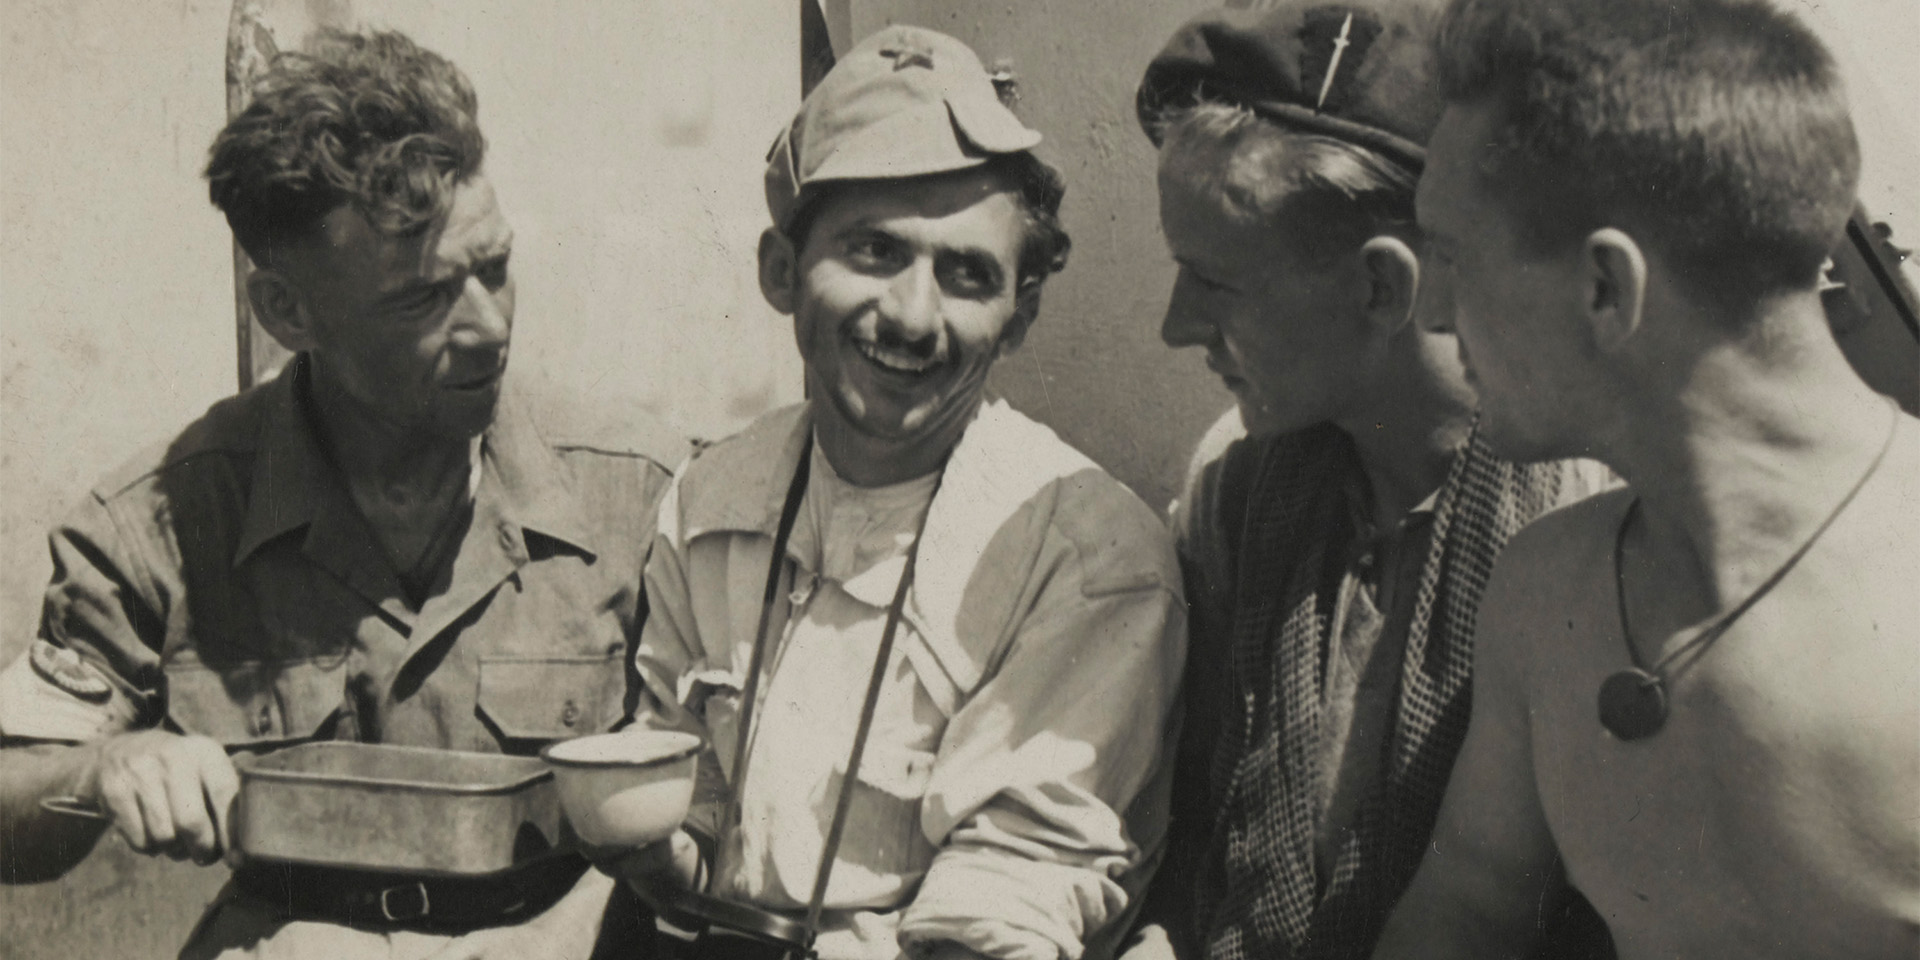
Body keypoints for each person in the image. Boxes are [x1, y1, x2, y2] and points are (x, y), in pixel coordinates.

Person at [0, 29, 679, 960]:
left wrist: (567, 934)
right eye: (423, 300)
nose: (489, 329)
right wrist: (108, 766)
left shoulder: (638, 494)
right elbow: (9, 797)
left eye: (494, 267)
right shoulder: (155, 523)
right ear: (286, 313)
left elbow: (728, 782)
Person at [624, 25, 1187, 960]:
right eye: (875, 251)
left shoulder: (1088, 555)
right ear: (779, 271)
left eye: (967, 275)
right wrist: (660, 844)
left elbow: (1010, 904)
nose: (915, 317)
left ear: (1020, 316)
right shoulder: (710, 496)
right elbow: (692, 811)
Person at [1374, 0, 1920, 957]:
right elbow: (1462, 920)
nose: (1433, 312)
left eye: (1454, 257)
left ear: (1604, 290)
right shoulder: (1548, 593)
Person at [1121, 4, 1614, 959]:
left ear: (1383, 288)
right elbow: (1202, 831)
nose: (1177, 330)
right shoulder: (1234, 482)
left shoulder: (1588, 514)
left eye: (1215, 284)